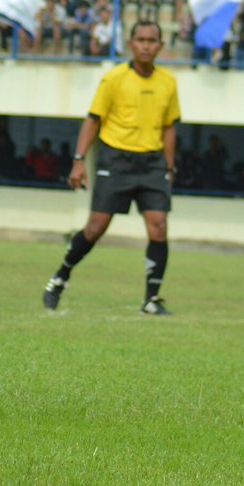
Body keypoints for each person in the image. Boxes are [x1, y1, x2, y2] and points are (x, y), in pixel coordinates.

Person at [43, 21, 181, 315]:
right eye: (140, 39)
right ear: (130, 44)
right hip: (116, 160)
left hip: (152, 163)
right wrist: (78, 161)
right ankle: (60, 277)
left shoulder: (168, 81)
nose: (146, 45)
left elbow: (170, 126)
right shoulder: (114, 79)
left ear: (160, 45)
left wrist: (169, 165)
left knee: (158, 227)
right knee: (95, 229)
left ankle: (151, 299)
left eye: (152, 40)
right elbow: (93, 120)